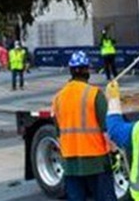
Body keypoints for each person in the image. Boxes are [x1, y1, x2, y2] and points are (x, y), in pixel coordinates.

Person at [52, 51, 116, 201]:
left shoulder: (58, 97)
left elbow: (58, 133)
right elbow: (107, 131)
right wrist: (114, 152)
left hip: (70, 163)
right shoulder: (94, 94)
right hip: (97, 161)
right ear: (87, 70)